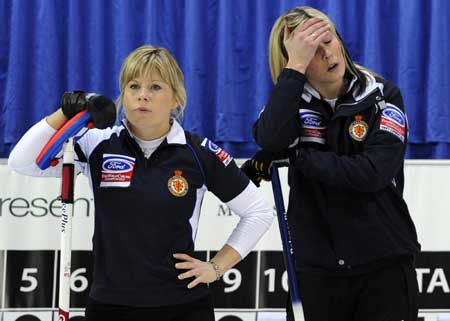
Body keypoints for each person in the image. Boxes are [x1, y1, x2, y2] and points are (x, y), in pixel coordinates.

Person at [8, 45, 274, 321]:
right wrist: (66, 113)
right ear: (123, 94)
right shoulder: (96, 142)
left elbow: (258, 212)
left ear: (176, 99)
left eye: (156, 87)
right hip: (110, 306)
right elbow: (22, 161)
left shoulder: (199, 152)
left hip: (182, 306)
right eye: (133, 86)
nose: (142, 95)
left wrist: (217, 267)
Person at [241, 6, 420, 321]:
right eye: (309, 51)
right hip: (316, 270)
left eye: (328, 40)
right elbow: (270, 139)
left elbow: (372, 174)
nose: (326, 54)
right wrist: (295, 66)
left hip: (384, 265)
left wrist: (298, 156)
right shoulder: (288, 105)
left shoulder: (383, 96)